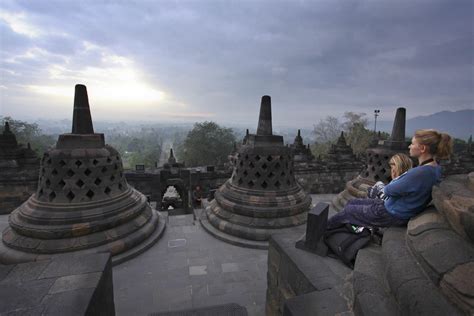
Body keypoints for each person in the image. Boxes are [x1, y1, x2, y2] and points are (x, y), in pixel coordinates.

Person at [327, 129, 453, 229]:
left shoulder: (420, 173)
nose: (409, 146)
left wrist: (382, 186)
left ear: (423, 149)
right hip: (395, 208)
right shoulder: (434, 168)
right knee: (351, 203)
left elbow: (389, 190)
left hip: (391, 213)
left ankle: (321, 232)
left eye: (413, 143)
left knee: (349, 210)